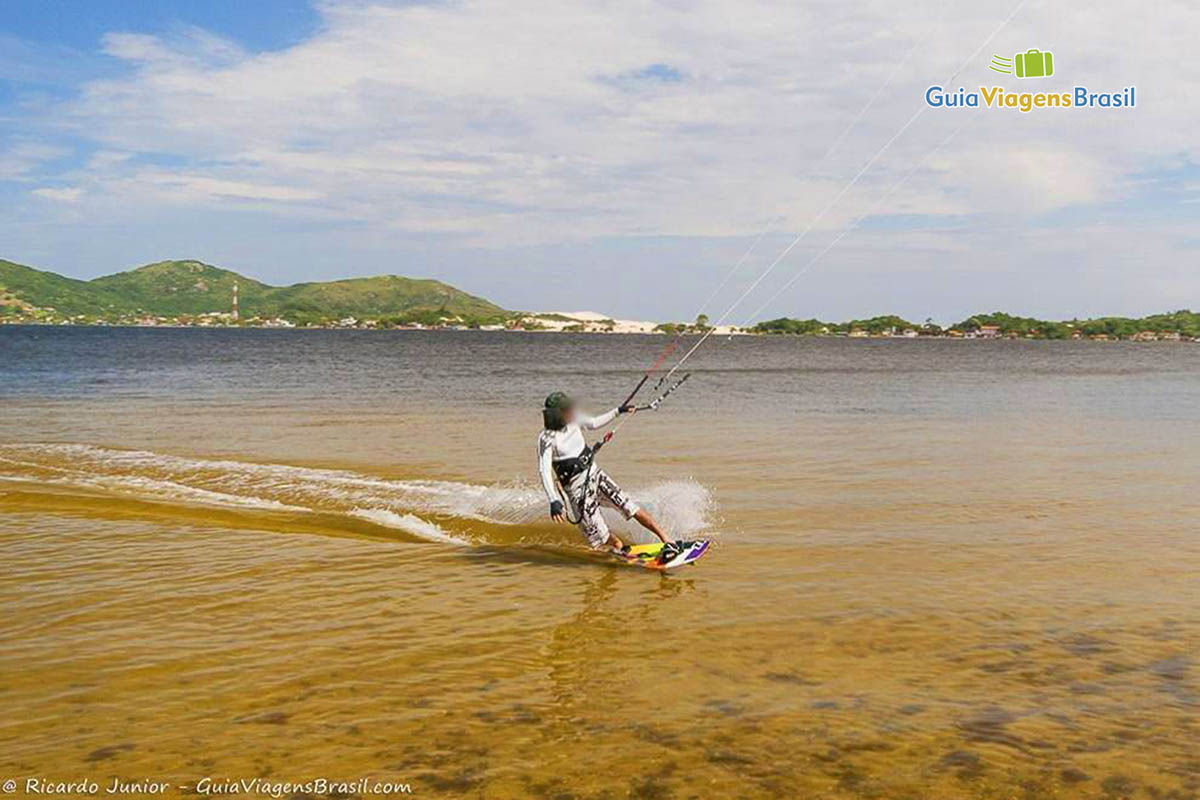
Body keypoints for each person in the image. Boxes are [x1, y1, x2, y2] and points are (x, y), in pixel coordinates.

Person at [537, 391, 672, 551]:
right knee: (601, 538)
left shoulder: (575, 419)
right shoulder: (546, 439)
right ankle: (618, 549)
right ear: (557, 414)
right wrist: (553, 500)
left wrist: (618, 411)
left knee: (630, 507)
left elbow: (593, 423)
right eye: (567, 410)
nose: (572, 412)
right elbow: (544, 470)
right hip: (577, 491)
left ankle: (666, 539)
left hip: (595, 475)